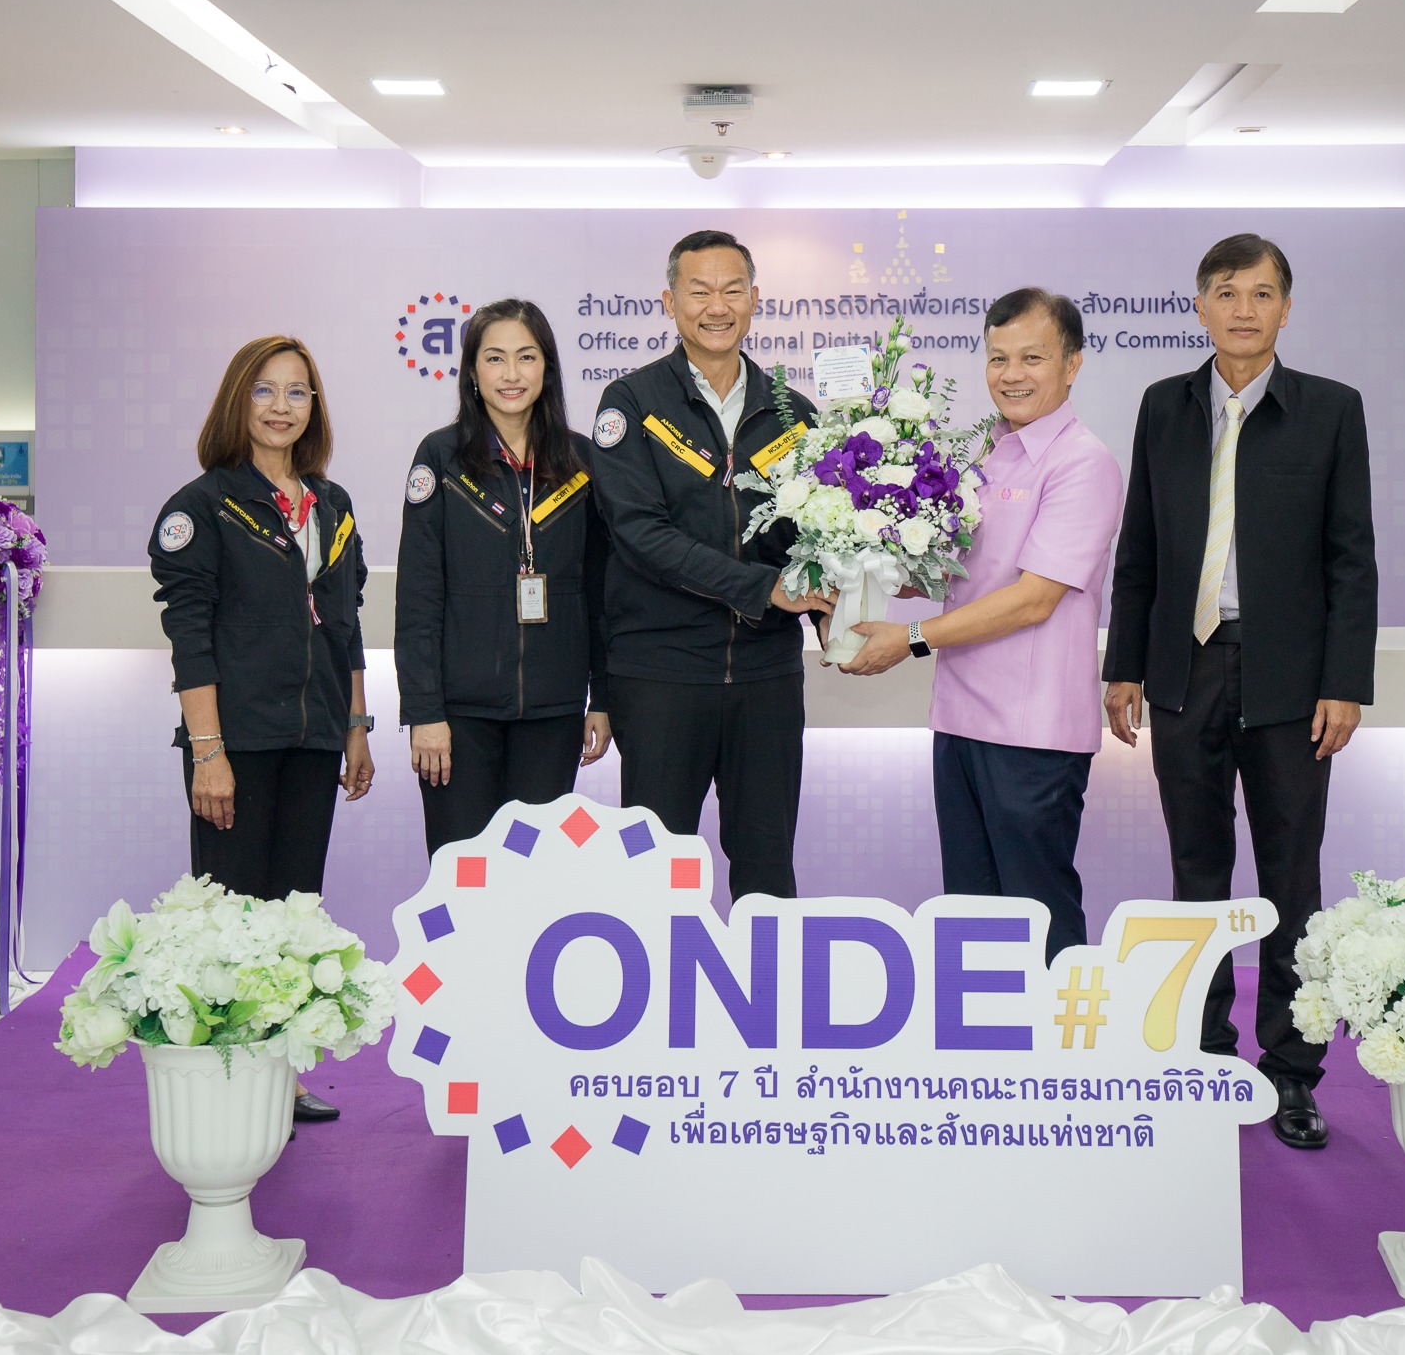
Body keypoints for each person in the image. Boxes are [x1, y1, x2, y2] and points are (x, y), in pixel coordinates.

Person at [1102, 233, 1378, 1151]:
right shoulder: (1164, 406)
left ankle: (1293, 1070)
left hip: (1290, 680)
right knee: (1197, 874)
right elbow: (1140, 544)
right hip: (1185, 670)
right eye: (1226, 292)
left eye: (1262, 293)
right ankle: (1207, 1052)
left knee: (1292, 878)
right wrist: (1125, 664)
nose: (1244, 309)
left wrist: (1345, 681)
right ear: (1201, 306)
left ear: (1286, 308)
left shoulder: (1331, 409)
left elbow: (1351, 558)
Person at [841, 289, 1123, 964]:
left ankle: (1057, 1033)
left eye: (1032, 357)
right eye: (998, 358)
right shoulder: (987, 455)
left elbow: (1032, 599)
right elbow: (959, 573)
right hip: (961, 718)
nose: (1011, 374)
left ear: (1073, 364)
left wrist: (910, 638)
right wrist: (856, 571)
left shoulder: (1083, 462)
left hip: (1032, 731)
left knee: (1036, 911)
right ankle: (988, 1035)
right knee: (973, 914)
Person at [147, 333, 375, 1125]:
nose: (283, 406)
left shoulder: (332, 505)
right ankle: (224, 1078)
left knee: (293, 914)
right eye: (265, 390)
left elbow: (344, 622)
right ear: (237, 401)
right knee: (231, 918)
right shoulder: (201, 506)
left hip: (315, 740)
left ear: (315, 406)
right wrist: (207, 752)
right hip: (234, 744)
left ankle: (282, 1073)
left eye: (298, 391)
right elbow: (191, 639)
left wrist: (356, 725)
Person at [587, 230, 832, 902]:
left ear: (755, 300)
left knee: (767, 871)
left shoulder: (795, 413)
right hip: (661, 675)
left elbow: (813, 540)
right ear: (670, 302)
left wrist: (834, 608)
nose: (716, 306)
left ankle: (765, 976)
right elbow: (640, 534)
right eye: (699, 291)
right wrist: (763, 588)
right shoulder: (631, 403)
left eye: (732, 290)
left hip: (766, 677)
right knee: (654, 878)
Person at [396, 300, 611, 853]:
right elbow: (418, 596)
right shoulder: (441, 458)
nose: (511, 374)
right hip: (458, 718)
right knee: (462, 876)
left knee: (533, 875)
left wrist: (603, 697)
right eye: (494, 358)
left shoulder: (582, 461)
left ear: (547, 368)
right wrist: (424, 712)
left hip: (555, 713)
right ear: (472, 371)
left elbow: (602, 593)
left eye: (526, 357)